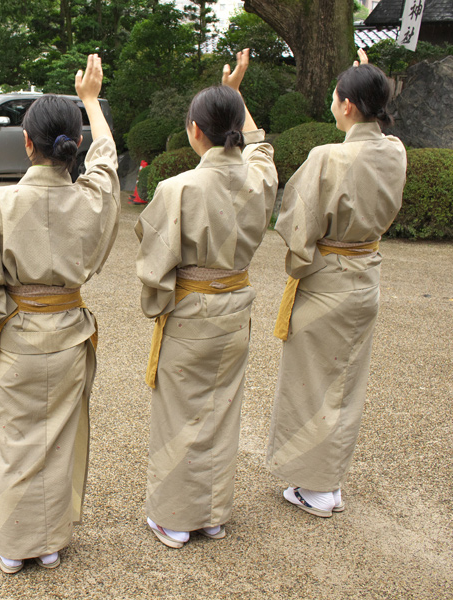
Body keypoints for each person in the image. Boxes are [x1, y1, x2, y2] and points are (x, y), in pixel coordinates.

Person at [0, 54, 119, 573]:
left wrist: (11, 310)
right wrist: (90, 101)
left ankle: (15, 545)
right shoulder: (91, 200)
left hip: (22, 335)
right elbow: (108, 162)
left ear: (28, 144)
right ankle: (48, 542)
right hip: (70, 335)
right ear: (75, 149)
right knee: (59, 439)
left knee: (15, 441)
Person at [135, 49, 278, 548]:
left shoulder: (179, 187)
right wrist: (236, 93)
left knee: (181, 411)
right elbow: (260, 147)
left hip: (193, 308)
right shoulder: (260, 179)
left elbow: (155, 260)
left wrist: (159, 299)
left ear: (195, 130)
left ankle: (176, 517)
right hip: (236, 304)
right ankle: (213, 513)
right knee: (221, 408)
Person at [265, 49, 407, 517]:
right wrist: (369, 76)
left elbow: (296, 219)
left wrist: (302, 260)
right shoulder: (395, 151)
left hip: (329, 278)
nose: (332, 100)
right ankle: (327, 479)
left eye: (336, 95)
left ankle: (318, 486)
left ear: (346, 106)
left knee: (313, 382)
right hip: (366, 273)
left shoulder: (328, 156)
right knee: (346, 380)